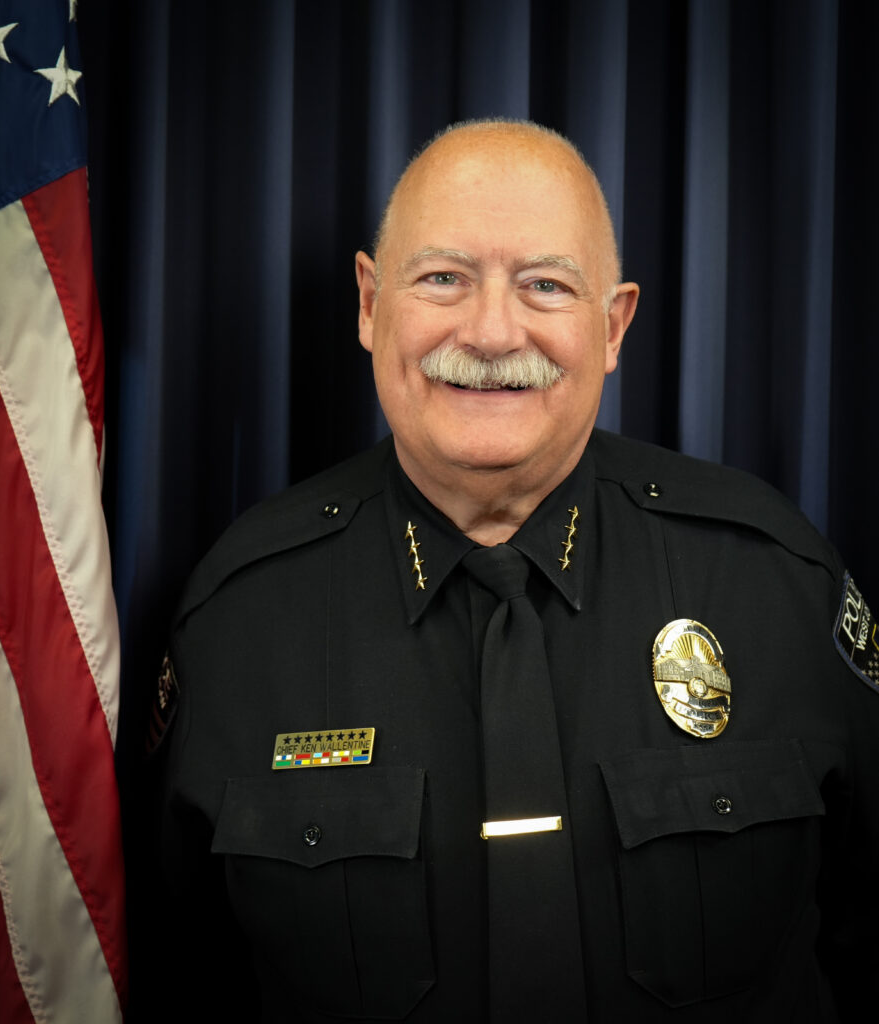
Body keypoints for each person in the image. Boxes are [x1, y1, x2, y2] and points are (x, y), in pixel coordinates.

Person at [155, 120, 878, 1022]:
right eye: (442, 278)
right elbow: (180, 975)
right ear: (370, 304)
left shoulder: (773, 580)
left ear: (612, 326)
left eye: (544, 285)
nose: (492, 332)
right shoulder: (240, 617)